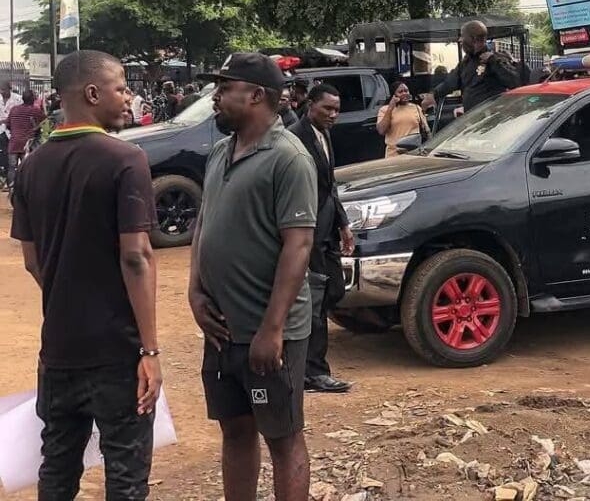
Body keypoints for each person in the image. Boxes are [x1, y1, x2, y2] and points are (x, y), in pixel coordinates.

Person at [11, 50, 161, 498]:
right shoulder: (126, 159)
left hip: (57, 350)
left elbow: (32, 261)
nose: (128, 97)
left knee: (57, 469)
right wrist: (149, 349)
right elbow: (136, 257)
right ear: (92, 93)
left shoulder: (31, 166)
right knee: (126, 475)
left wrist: (67, 296)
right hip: (118, 352)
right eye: (121, 88)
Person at [189, 52, 317, 501]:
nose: (216, 98)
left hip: (268, 333)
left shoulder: (289, 159)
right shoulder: (223, 150)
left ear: (257, 95)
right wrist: (195, 289)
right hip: (223, 330)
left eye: (225, 89)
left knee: (282, 438)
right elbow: (205, 221)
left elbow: (298, 245)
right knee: (235, 430)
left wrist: (272, 328)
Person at [288, 84, 355, 393]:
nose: (333, 115)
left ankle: (303, 364)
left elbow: (330, 186)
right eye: (327, 108)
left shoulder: (325, 134)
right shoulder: (293, 139)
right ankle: (313, 372)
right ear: (310, 105)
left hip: (327, 232)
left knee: (333, 292)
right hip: (306, 235)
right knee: (314, 302)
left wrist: (343, 224)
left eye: (336, 109)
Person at [420, 20, 520, 114]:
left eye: (463, 37)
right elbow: (449, 83)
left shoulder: (496, 59)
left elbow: (514, 81)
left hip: (492, 120)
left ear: (473, 39)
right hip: (473, 120)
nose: (460, 41)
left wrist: (493, 61)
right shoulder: (465, 63)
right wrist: (433, 94)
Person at [377, 81, 431, 157]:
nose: (404, 93)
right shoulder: (384, 110)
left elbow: (427, 130)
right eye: (400, 92)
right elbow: (381, 130)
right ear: (394, 94)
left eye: (406, 91)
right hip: (394, 155)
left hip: (414, 153)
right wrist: (390, 108)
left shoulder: (416, 108)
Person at [7, 90, 45, 186]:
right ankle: (25, 187)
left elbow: (8, 124)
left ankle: (11, 186)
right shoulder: (35, 110)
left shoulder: (14, 109)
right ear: (33, 99)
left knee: (12, 167)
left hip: (14, 142)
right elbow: (45, 121)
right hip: (27, 144)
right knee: (26, 167)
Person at [0, 81, 23, 181]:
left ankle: (17, 178)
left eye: (4, 89)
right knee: (3, 153)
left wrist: (6, 120)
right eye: (0, 89)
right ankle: (4, 175)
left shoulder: (18, 99)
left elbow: (22, 112)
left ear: (9, 89)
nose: (2, 92)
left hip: (13, 131)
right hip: (1, 131)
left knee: (13, 156)